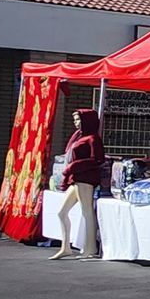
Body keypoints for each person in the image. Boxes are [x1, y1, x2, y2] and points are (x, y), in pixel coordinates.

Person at [52, 107, 108, 260]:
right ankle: (66, 247)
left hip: (85, 179)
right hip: (76, 178)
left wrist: (74, 166)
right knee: (62, 212)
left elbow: (98, 159)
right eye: (75, 120)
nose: (76, 123)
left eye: (78, 119)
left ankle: (90, 247)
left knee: (87, 212)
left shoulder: (92, 139)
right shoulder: (78, 137)